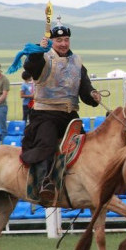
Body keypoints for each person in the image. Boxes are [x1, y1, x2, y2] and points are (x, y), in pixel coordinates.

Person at [20, 20, 101, 202]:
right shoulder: (44, 58)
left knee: (85, 146)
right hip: (45, 114)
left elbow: (85, 87)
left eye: (66, 39)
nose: (63, 43)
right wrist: (37, 52)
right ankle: (44, 184)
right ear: (52, 42)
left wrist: (93, 95)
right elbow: (31, 68)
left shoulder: (77, 61)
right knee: (46, 144)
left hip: (70, 115)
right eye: (59, 40)